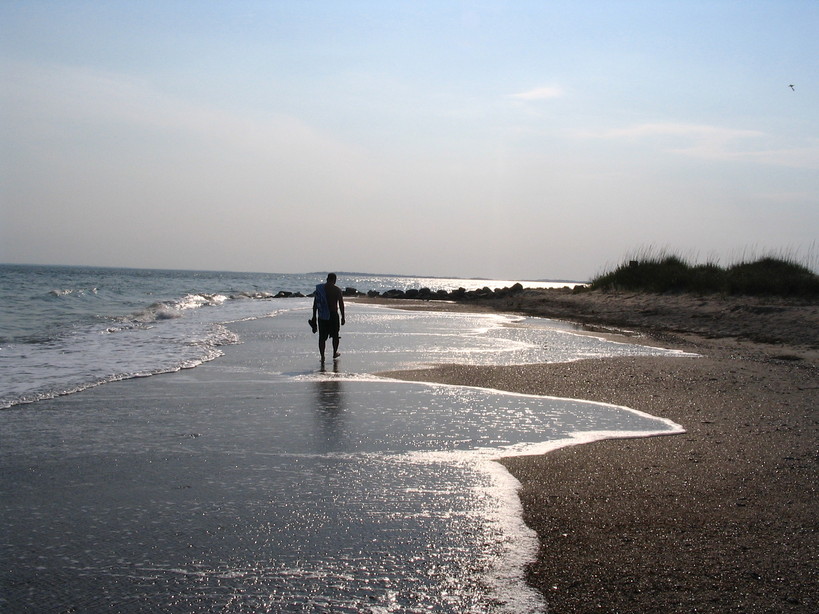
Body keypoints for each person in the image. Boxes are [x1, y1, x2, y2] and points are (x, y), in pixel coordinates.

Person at [309, 273, 345, 362]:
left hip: (322, 316)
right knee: (335, 336)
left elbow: (315, 304)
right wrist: (343, 317)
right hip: (333, 315)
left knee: (322, 338)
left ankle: (322, 356)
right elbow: (341, 304)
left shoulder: (320, 289)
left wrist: (314, 316)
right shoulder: (337, 290)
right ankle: (334, 353)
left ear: (327, 279)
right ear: (335, 280)